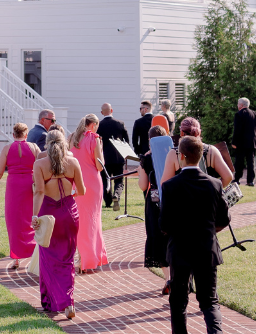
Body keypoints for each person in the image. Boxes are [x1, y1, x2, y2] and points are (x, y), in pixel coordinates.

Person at [160, 135, 230, 334]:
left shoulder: (170, 186)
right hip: (206, 249)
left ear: (181, 156)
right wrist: (208, 230)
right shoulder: (214, 184)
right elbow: (224, 219)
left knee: (178, 301)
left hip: (180, 250)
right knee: (209, 301)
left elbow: (164, 224)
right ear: (200, 156)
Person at [30, 130, 83, 320]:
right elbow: (82, 190)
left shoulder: (40, 164)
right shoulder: (73, 162)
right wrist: (68, 196)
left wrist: (34, 216)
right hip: (70, 214)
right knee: (68, 259)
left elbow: (39, 192)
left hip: (48, 214)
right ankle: (68, 302)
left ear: (47, 143)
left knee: (49, 258)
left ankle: (51, 302)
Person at [0, 122, 40, 268]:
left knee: (14, 221)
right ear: (26, 134)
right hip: (30, 186)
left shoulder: (6, 149)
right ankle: (34, 256)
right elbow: (40, 167)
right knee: (31, 218)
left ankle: (16, 259)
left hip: (13, 186)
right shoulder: (34, 147)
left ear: (13, 134)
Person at [68, 114, 108, 273]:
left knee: (79, 221)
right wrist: (101, 149)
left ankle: (80, 257)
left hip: (75, 182)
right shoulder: (94, 138)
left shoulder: (72, 137)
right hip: (92, 183)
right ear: (94, 125)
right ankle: (89, 259)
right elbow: (100, 165)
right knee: (92, 221)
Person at [137, 124, 171, 292]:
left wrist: (140, 170)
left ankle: (168, 278)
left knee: (157, 237)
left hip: (155, 201)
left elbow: (143, 186)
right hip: (173, 198)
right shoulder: (174, 155)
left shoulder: (147, 159)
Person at [97, 103, 129, 209]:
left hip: (104, 157)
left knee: (105, 180)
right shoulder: (120, 124)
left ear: (102, 113)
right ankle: (117, 195)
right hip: (118, 157)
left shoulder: (99, 125)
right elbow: (126, 141)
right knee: (119, 180)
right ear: (112, 110)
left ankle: (108, 202)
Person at [231, 97, 256, 187]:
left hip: (241, 143)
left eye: (237, 104)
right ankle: (250, 181)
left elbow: (237, 130)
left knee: (239, 162)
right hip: (251, 142)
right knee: (250, 162)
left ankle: (237, 179)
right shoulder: (254, 114)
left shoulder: (239, 114)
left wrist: (234, 142)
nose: (237, 105)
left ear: (241, 105)